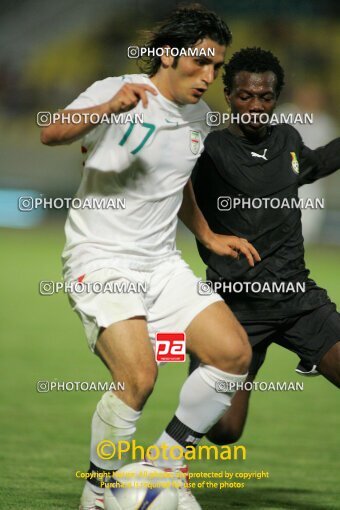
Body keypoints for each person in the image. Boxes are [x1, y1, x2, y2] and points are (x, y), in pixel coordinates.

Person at [40, 7, 261, 510]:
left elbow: (175, 180)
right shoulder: (117, 88)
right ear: (168, 54)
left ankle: (163, 463)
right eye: (202, 63)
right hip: (101, 259)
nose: (209, 77)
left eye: (217, 67)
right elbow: (52, 133)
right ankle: (98, 491)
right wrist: (108, 109)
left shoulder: (200, 118)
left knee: (233, 355)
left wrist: (206, 234)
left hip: (160, 263)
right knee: (138, 377)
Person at [191, 47, 340, 447]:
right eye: (245, 96)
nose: (256, 106)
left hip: (297, 299)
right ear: (229, 95)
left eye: (265, 97)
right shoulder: (207, 150)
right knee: (223, 432)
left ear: (276, 97)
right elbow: (168, 192)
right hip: (235, 306)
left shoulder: (288, 138)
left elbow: (314, 164)